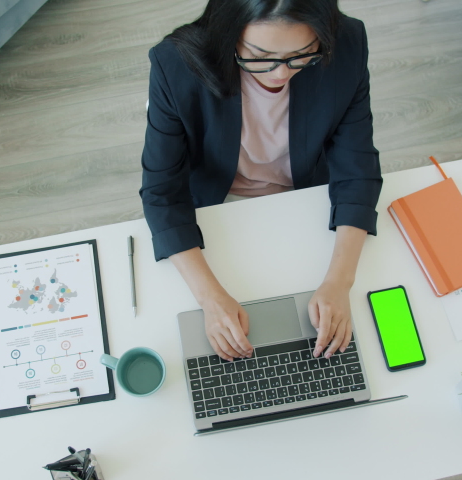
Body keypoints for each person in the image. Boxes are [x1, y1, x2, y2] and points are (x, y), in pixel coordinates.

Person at [140, 0, 382, 362]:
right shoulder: (176, 64)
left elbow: (357, 166)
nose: (280, 74)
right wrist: (209, 298)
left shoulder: (345, 43)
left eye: (301, 55)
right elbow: (161, 193)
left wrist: (340, 282)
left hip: (305, 197)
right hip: (218, 205)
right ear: (228, 31)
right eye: (260, 55)